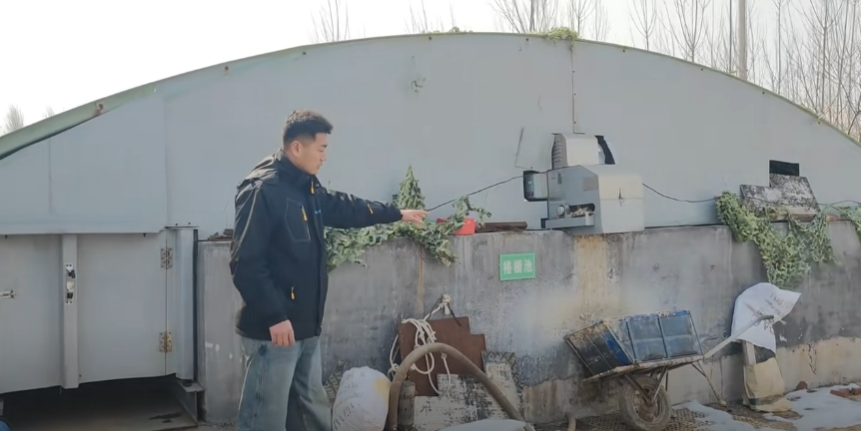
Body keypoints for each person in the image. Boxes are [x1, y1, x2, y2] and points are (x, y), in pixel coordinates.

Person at [230, 110, 427, 431]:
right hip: (274, 331)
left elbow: (345, 207)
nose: (325, 157)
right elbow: (246, 262)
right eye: (320, 149)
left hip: (306, 325)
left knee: (310, 409)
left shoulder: (306, 187)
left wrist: (396, 213)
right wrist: (274, 316)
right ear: (297, 148)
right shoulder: (262, 190)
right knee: (265, 418)